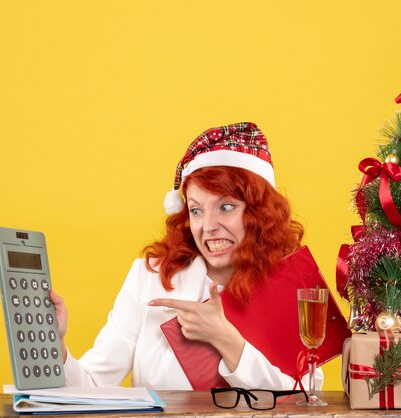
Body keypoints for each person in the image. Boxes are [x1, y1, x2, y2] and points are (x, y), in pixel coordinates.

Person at [50, 122, 324, 390]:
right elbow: (91, 385)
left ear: (260, 214)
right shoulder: (150, 277)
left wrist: (226, 340)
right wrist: (57, 344)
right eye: (196, 210)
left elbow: (307, 397)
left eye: (225, 207)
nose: (208, 226)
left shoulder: (291, 286)